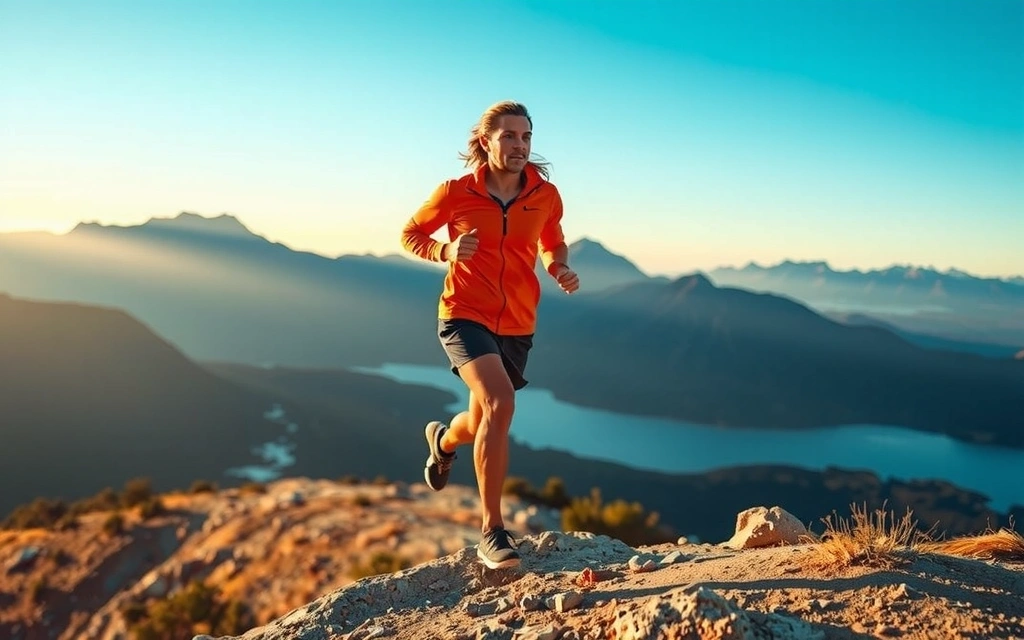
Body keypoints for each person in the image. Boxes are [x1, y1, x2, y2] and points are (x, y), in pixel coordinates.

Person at [399, 100, 579, 569]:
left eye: (526, 137)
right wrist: (446, 249)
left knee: (480, 423)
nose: (520, 146)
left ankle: (442, 442)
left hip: (518, 322)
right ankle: (492, 531)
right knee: (501, 403)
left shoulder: (545, 194)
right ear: (486, 141)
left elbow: (552, 238)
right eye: (509, 136)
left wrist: (558, 264)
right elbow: (411, 233)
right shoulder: (455, 192)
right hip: (463, 314)